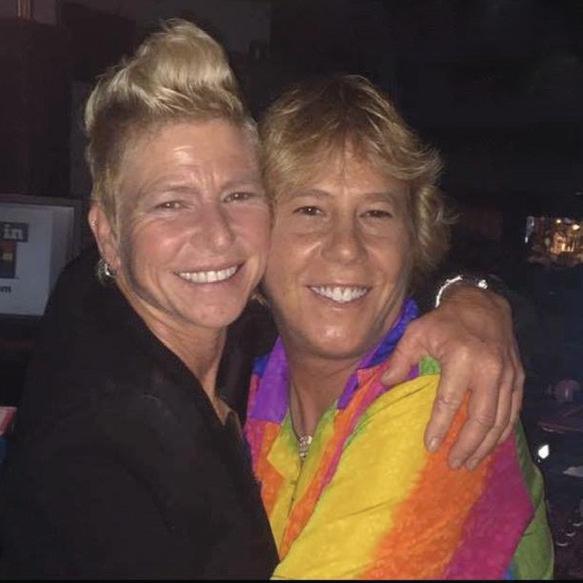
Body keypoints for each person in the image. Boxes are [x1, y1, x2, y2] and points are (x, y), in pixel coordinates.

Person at [0, 20, 524, 578]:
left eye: (237, 195)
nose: (217, 235)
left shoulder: (431, 394)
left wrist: (474, 296)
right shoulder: (107, 452)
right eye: (310, 210)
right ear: (107, 234)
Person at [245, 75, 554, 579]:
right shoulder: (253, 390)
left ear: (415, 242)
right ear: (253, 239)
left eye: (376, 213)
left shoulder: (443, 394)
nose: (346, 246)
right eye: (310, 210)